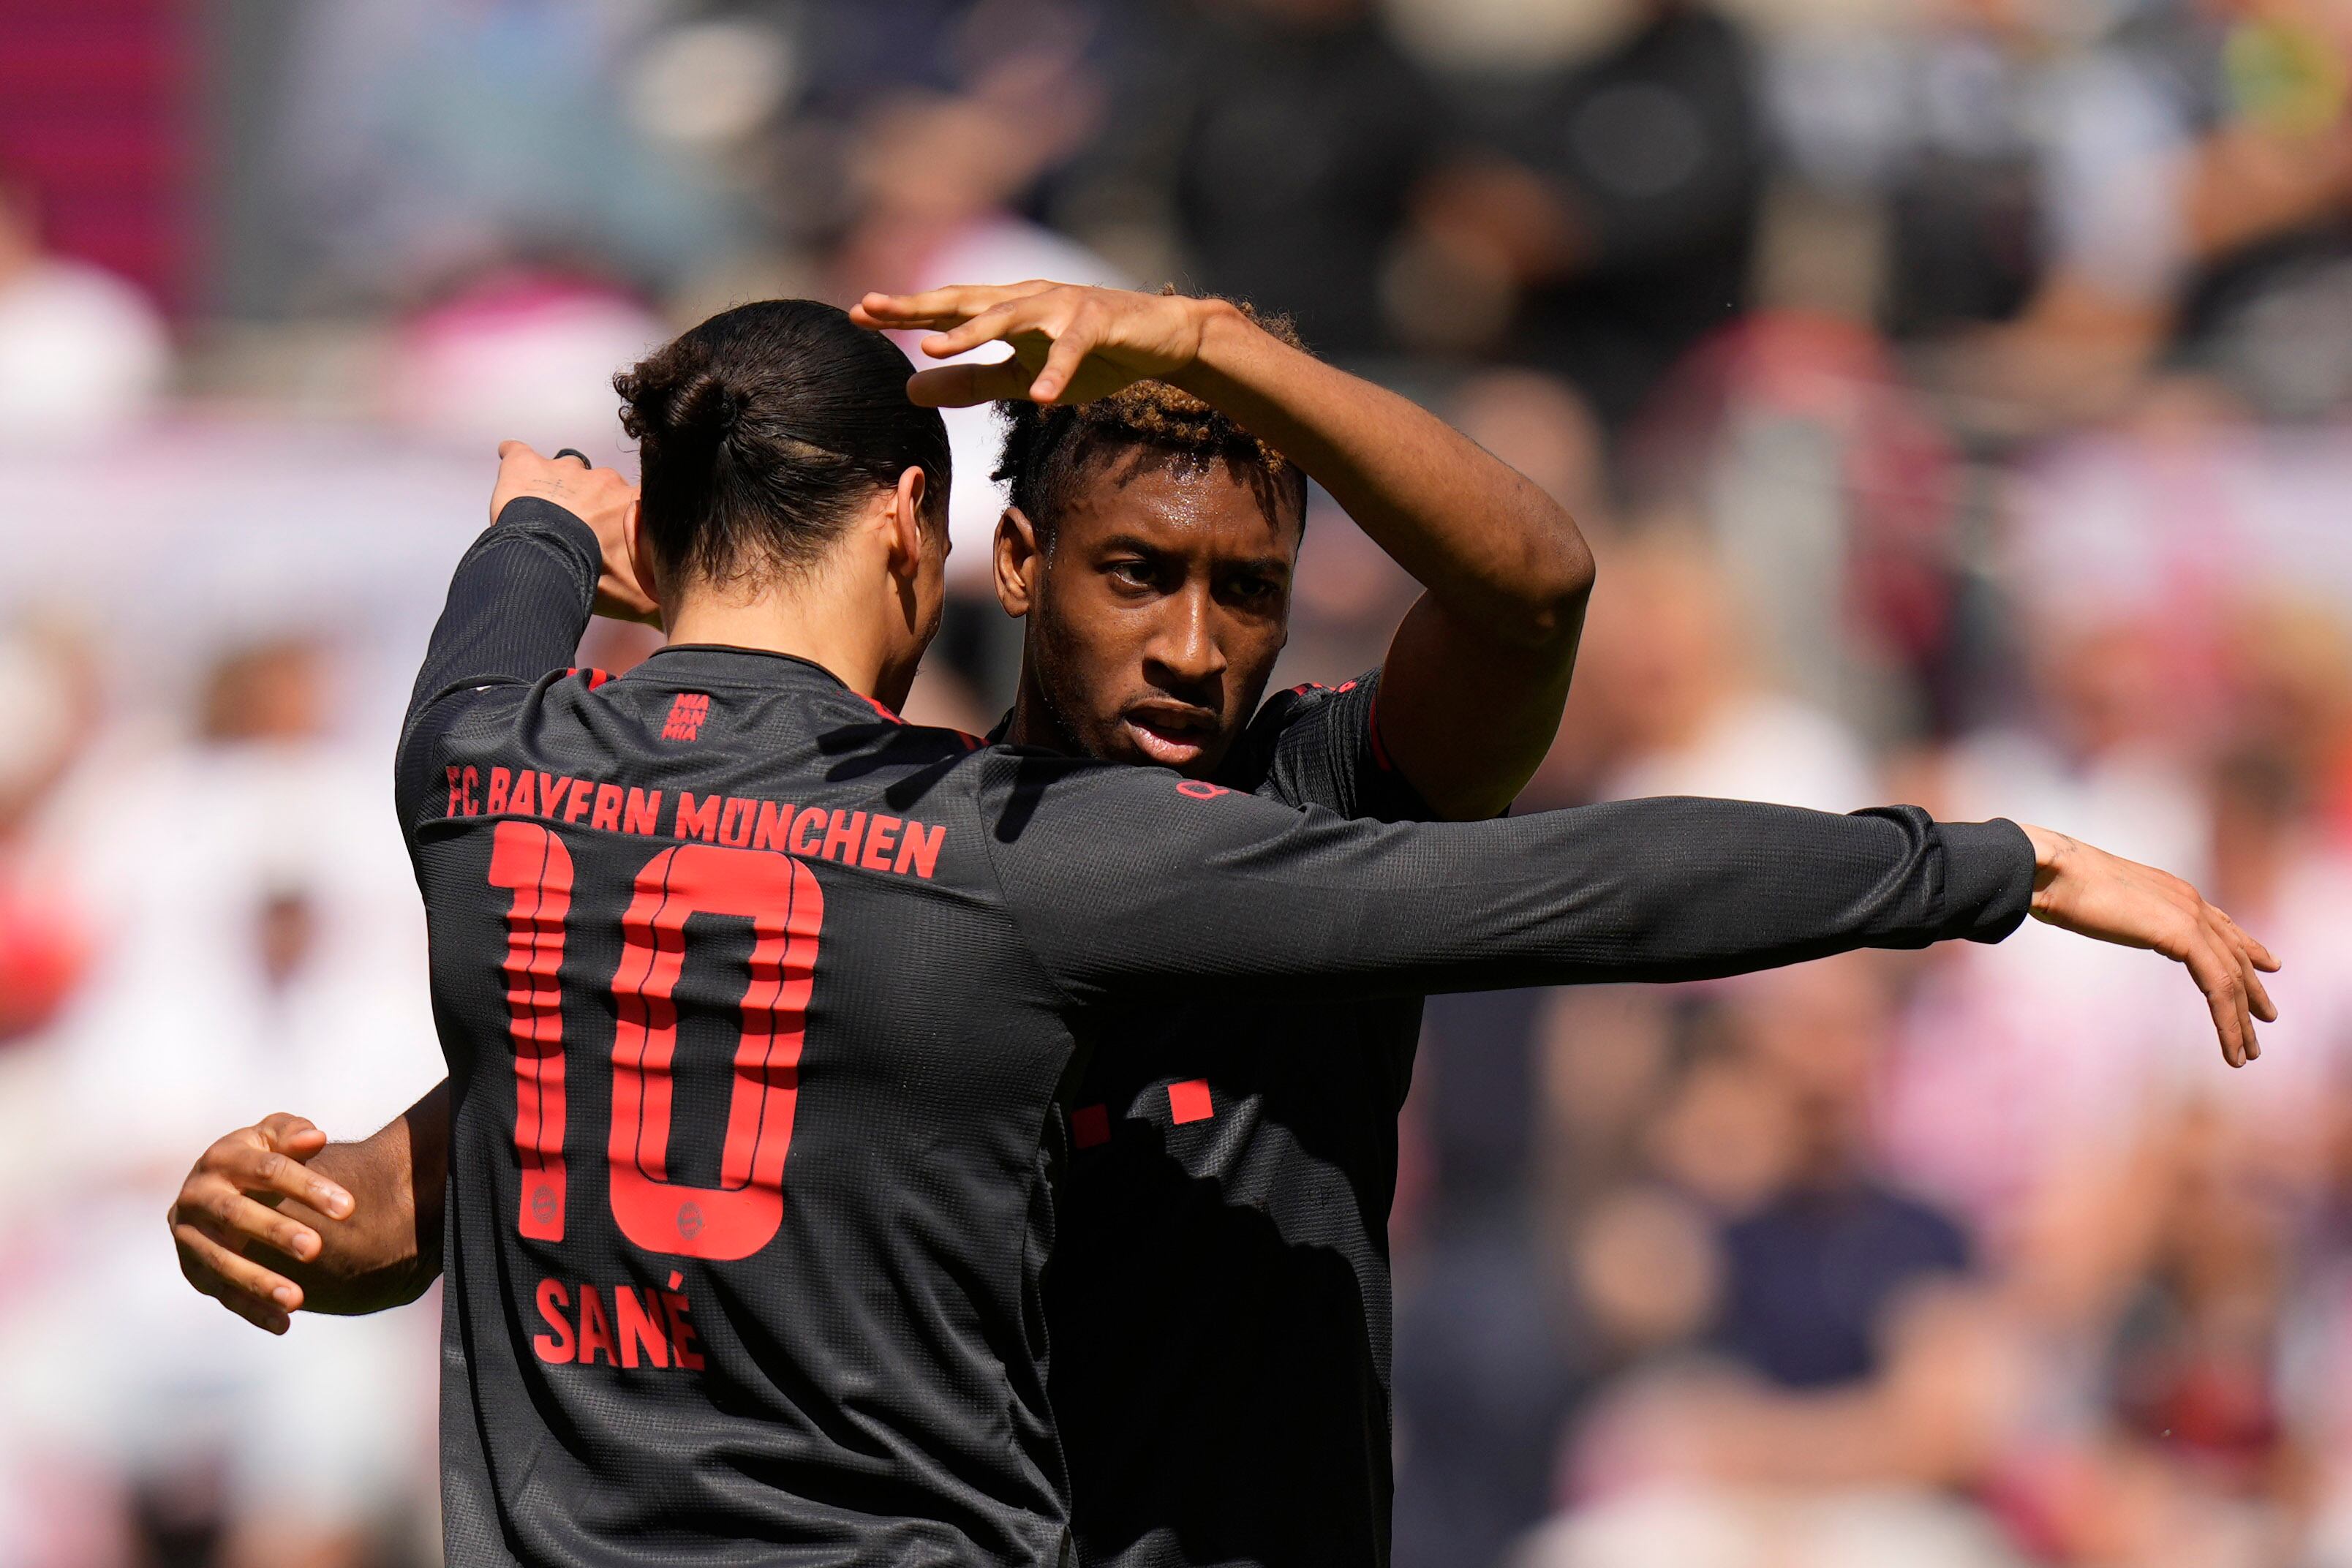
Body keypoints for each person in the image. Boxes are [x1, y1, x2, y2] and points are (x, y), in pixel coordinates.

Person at [168, 287, 2273, 1568]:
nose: (1192, 643)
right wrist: (319, 1206)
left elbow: (1538, 607)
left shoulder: (1316, 797)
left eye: (1245, 590)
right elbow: (557, 1117)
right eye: (1136, 575)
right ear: (996, 556)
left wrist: (1215, 344)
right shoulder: (922, 849)